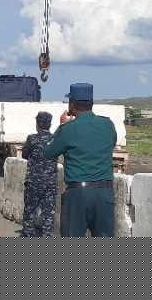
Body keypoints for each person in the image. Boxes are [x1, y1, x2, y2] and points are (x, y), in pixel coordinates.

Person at [43, 83, 117, 237]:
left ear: (72, 104)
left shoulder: (68, 129)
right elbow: (111, 144)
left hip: (78, 194)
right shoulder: (108, 125)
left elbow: (48, 152)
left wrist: (60, 127)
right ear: (91, 103)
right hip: (105, 193)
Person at [21, 111, 58, 237]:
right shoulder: (54, 139)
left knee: (29, 211)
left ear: (37, 124)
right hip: (50, 182)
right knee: (49, 213)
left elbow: (24, 154)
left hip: (34, 182)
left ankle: (28, 235)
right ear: (50, 124)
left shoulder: (32, 139)